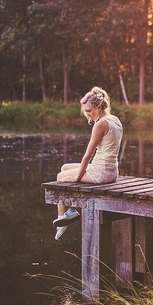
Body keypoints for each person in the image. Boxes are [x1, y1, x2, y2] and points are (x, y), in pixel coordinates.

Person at [53, 86, 124, 240]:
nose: (87, 114)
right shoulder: (115, 120)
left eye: (89, 110)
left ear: (98, 107)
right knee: (65, 167)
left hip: (101, 173)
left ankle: (62, 219)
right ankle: (70, 210)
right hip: (111, 171)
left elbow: (87, 155)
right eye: (86, 111)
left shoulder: (101, 124)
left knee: (60, 176)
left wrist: (77, 178)